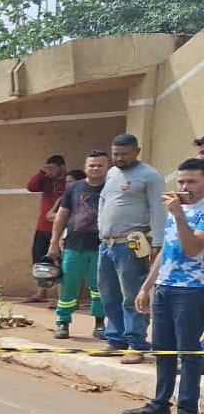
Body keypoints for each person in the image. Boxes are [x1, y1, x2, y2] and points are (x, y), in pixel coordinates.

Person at [123, 158, 204, 414]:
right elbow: (167, 252)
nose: (184, 186)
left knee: (189, 353)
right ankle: (160, 405)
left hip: (193, 291)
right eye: (181, 181)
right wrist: (147, 286)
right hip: (165, 288)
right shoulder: (175, 211)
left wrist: (180, 216)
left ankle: (187, 411)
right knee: (163, 349)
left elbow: (193, 248)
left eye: (191, 181)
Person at [98, 133, 167, 363]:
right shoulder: (112, 173)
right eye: (115, 154)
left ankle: (136, 343)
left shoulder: (150, 176)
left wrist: (158, 243)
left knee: (133, 295)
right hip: (107, 244)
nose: (119, 158)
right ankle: (115, 340)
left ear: (137, 151)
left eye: (124, 154)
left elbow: (159, 210)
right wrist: (101, 232)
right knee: (109, 295)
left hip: (132, 245)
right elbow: (104, 203)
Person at [46, 152, 107, 340]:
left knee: (99, 288)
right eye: (92, 165)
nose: (95, 168)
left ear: (107, 168)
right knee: (68, 286)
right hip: (74, 245)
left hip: (101, 246)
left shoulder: (112, 188)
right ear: (85, 167)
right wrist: (54, 243)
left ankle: (99, 325)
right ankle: (62, 323)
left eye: (99, 165)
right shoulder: (74, 188)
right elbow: (61, 216)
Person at [25, 155, 68, 303]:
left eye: (52, 168)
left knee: (61, 262)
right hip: (42, 227)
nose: (49, 171)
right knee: (40, 259)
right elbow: (31, 187)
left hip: (61, 229)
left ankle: (60, 296)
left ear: (62, 167)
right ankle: (41, 292)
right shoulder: (46, 180)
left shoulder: (69, 182)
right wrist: (42, 173)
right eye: (47, 168)